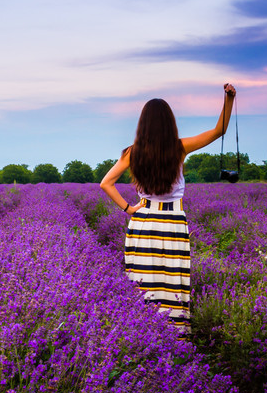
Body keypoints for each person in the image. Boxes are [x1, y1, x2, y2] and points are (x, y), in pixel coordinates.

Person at [99, 83, 236, 332]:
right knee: (172, 282)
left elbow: (106, 183)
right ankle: (176, 339)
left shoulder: (132, 152)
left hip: (142, 223)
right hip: (172, 222)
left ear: (143, 124)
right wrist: (229, 99)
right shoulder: (180, 147)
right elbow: (219, 131)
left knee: (143, 283)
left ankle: (141, 339)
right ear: (170, 122)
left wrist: (129, 209)